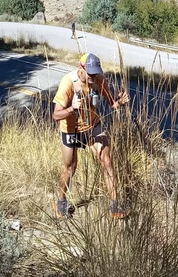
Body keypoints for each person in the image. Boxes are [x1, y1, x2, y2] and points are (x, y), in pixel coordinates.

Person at [52, 52, 130, 218]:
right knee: (70, 168)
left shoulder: (99, 80)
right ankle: (61, 203)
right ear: (81, 69)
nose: (93, 77)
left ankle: (115, 207)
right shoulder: (68, 83)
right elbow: (56, 115)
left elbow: (112, 104)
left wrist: (120, 103)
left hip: (92, 125)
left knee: (106, 161)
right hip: (70, 129)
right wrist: (72, 108)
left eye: (96, 73)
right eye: (90, 74)